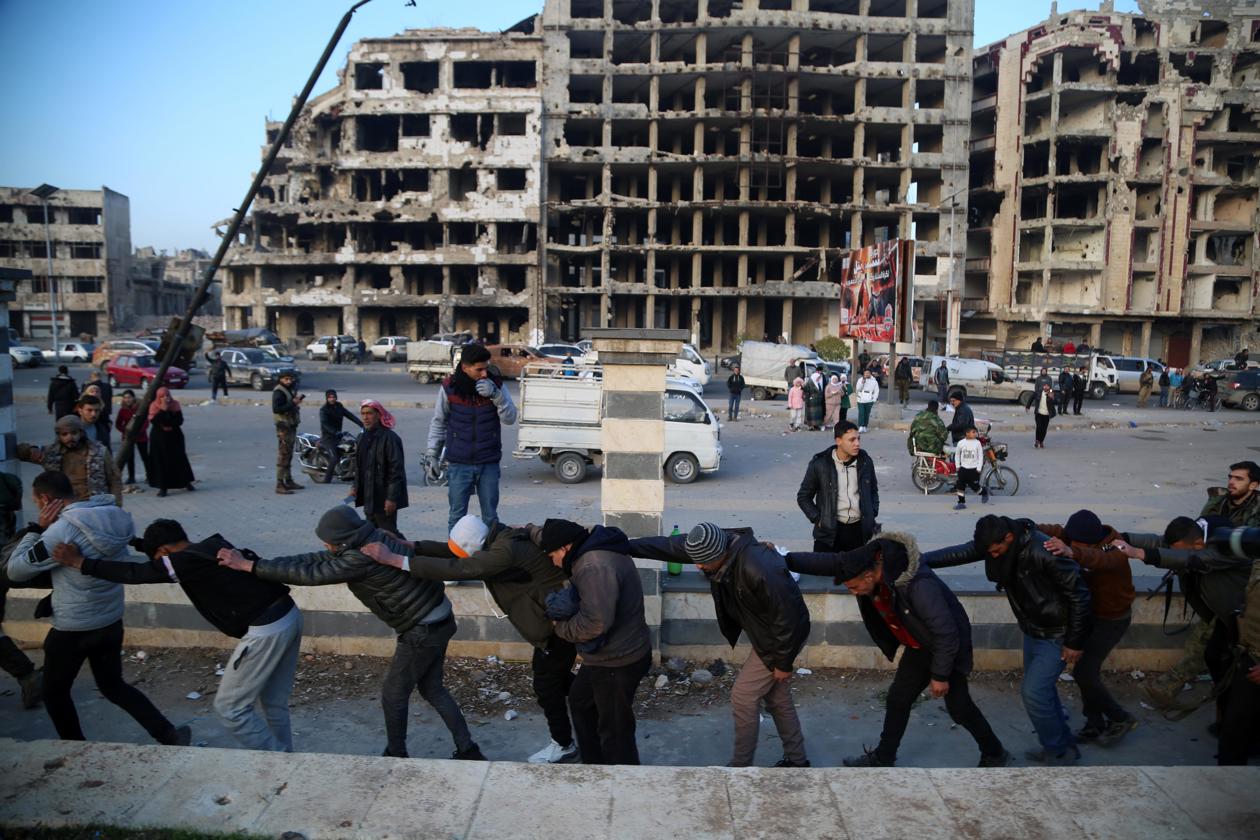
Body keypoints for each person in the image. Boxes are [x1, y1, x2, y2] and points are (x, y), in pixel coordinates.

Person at [218, 506, 484, 761]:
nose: (325, 546)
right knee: (432, 688)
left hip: (422, 629)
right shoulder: (371, 538)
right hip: (438, 618)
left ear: (343, 540)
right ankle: (468, 748)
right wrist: (261, 563)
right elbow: (314, 559)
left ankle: (396, 755)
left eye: (329, 542)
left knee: (393, 695)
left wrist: (248, 567)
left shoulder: (360, 557)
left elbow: (310, 574)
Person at [53, 518, 302, 752]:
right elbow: (156, 558)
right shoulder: (210, 546)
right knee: (274, 701)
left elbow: (136, 573)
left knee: (230, 709)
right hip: (288, 614)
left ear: (163, 553)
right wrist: (134, 541)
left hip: (267, 629)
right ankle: (288, 757)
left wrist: (80, 562)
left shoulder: (183, 561)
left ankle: (278, 762)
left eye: (159, 561)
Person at [783, 534, 1010, 768]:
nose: (854, 592)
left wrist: (940, 675)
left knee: (960, 708)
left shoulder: (919, 586)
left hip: (947, 647)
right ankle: (884, 757)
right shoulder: (865, 562)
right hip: (919, 645)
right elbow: (832, 563)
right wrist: (784, 559)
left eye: (854, 587)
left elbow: (946, 632)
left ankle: (994, 752)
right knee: (898, 699)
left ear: (870, 575)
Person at [365, 514, 575, 764]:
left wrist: (397, 560)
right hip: (555, 620)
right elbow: (455, 553)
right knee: (559, 679)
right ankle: (600, 699)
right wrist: (415, 546)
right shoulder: (496, 539)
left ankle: (564, 745)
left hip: (556, 625)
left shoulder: (503, 553)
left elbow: (460, 567)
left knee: (547, 686)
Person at [6, 471, 189, 746]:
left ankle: (76, 748)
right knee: (113, 685)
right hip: (110, 619)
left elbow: (16, 570)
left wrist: (37, 529)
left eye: (35, 501)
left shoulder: (60, 531)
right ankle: (168, 734)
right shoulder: (114, 514)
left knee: (55, 692)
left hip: (73, 627)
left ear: (45, 499)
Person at [627, 523, 811, 768]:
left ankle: (740, 767)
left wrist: (784, 663)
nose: (699, 566)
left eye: (703, 562)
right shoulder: (708, 544)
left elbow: (788, 620)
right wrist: (623, 545)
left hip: (782, 638)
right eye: (696, 560)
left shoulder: (760, 567)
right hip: (768, 635)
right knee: (777, 698)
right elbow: (668, 546)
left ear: (721, 554)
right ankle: (798, 762)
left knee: (744, 696)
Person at [927, 515, 1091, 764]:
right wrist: (919, 561)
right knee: (1043, 692)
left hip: (1059, 632)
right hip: (1033, 629)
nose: (993, 556)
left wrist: (1075, 641)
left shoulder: (1044, 550)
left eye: (996, 550)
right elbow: (961, 553)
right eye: (988, 552)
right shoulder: (997, 543)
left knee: (1033, 693)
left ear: (1009, 538)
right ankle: (1061, 743)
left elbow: (1080, 596)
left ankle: (1059, 752)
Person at [1112, 516, 1251, 761]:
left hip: (1247, 623)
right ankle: (1226, 719)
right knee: (1215, 659)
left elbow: (1189, 559)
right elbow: (1164, 544)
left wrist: (1139, 554)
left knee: (1242, 682)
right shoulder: (1196, 532)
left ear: (1197, 543)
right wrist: (1120, 536)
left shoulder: (1221, 548)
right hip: (1227, 618)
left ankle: (1238, 737)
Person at [537, 518, 651, 766]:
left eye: (552, 555)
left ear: (565, 548)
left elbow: (595, 623)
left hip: (617, 660)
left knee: (615, 731)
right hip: (610, 654)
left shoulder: (593, 566)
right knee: (581, 702)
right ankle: (594, 766)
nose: (553, 562)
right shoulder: (595, 546)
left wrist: (562, 629)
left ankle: (621, 780)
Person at [1039, 510, 1137, 745]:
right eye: (1073, 542)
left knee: (1084, 672)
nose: (1076, 546)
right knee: (1085, 673)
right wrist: (1017, 526)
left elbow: (1100, 559)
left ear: (1094, 541)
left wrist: (1072, 551)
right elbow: (1050, 529)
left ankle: (1121, 718)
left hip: (1112, 619)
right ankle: (1094, 723)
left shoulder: (1115, 548)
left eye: (1082, 544)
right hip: (1088, 615)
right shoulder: (1071, 535)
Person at [427, 343, 518, 531]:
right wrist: (432, 455)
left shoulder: (496, 385)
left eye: (486, 368)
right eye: (479, 369)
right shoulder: (449, 388)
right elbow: (439, 423)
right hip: (459, 464)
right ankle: (455, 557)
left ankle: (490, 558)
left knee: (491, 518)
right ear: (465, 367)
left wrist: (496, 395)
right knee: (456, 516)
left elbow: (510, 418)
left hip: (488, 462)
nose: (484, 373)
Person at [798, 421, 879, 553]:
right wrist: (818, 519)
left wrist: (872, 512)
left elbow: (873, 491)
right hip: (829, 533)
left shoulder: (865, 462)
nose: (857, 443)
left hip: (860, 532)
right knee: (825, 571)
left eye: (858, 439)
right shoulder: (820, 464)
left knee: (859, 572)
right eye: (852, 440)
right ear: (839, 441)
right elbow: (803, 497)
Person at [20, 415, 121, 505]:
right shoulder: (51, 453)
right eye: (64, 434)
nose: (70, 437)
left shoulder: (99, 452)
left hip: (94, 506)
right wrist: (31, 449)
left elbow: (114, 479)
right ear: (59, 436)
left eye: (74, 433)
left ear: (81, 432)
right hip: (64, 508)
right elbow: (20, 452)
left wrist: (116, 505)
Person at [352, 400, 407, 535]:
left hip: (384, 497)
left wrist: (391, 498)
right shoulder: (361, 437)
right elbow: (359, 466)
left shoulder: (390, 438)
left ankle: (407, 553)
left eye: (369, 414)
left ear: (378, 415)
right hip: (368, 497)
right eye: (363, 414)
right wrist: (355, 487)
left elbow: (396, 471)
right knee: (371, 533)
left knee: (389, 534)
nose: (365, 417)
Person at [147, 387, 195, 498]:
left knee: (179, 460)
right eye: (162, 396)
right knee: (161, 461)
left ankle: (186, 482)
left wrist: (169, 423)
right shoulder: (154, 406)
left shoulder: (175, 404)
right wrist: (163, 409)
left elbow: (179, 421)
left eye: (167, 395)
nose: (166, 398)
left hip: (174, 438)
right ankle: (163, 487)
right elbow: (155, 421)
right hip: (159, 439)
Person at [317, 389, 364, 484]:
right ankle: (327, 479)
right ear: (327, 398)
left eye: (333, 397)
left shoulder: (339, 406)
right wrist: (335, 432)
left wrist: (361, 424)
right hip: (328, 438)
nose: (332, 399)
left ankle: (345, 472)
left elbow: (349, 415)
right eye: (330, 397)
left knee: (350, 449)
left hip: (338, 437)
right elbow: (325, 424)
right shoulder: (324, 410)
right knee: (334, 457)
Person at [272, 371, 305, 495]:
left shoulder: (289, 389)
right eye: (286, 379)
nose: (289, 381)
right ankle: (279, 484)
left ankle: (288, 480)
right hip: (283, 427)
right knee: (283, 455)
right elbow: (277, 409)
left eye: (290, 379)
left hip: (290, 425)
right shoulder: (279, 391)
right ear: (281, 379)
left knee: (289, 454)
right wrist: (293, 403)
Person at [113, 390, 149, 485]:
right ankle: (131, 477)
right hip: (128, 437)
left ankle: (149, 475)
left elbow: (146, 421)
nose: (127, 399)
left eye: (129, 397)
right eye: (125, 398)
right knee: (129, 458)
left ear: (133, 398)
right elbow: (118, 424)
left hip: (141, 436)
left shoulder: (140, 407)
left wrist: (139, 431)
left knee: (145, 457)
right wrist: (125, 431)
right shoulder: (123, 410)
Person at [952, 425, 988, 510]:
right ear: (967, 433)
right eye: (973, 432)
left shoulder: (977, 443)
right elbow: (957, 455)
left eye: (975, 432)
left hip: (974, 469)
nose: (975, 434)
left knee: (974, 487)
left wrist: (979, 468)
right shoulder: (961, 443)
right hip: (963, 469)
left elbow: (980, 456)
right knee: (960, 485)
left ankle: (984, 492)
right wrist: (957, 466)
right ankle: (961, 502)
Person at [1032, 380, 1057, 449]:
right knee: (1039, 427)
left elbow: (1057, 401)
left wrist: (1052, 398)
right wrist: (1028, 406)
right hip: (1039, 413)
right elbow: (1032, 397)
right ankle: (1037, 440)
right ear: (1043, 386)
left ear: (1049, 387)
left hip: (1046, 415)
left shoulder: (1051, 392)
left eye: (1047, 386)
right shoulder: (1039, 392)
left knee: (1044, 429)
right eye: (1045, 385)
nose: (1046, 387)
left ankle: (1041, 441)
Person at [854, 368, 879, 433]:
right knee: (861, 412)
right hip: (861, 398)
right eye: (865, 373)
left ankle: (865, 426)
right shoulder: (860, 380)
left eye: (868, 373)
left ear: (870, 374)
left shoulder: (874, 381)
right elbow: (858, 389)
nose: (866, 374)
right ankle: (861, 426)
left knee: (867, 413)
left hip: (869, 399)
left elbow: (876, 391)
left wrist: (874, 399)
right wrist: (862, 383)